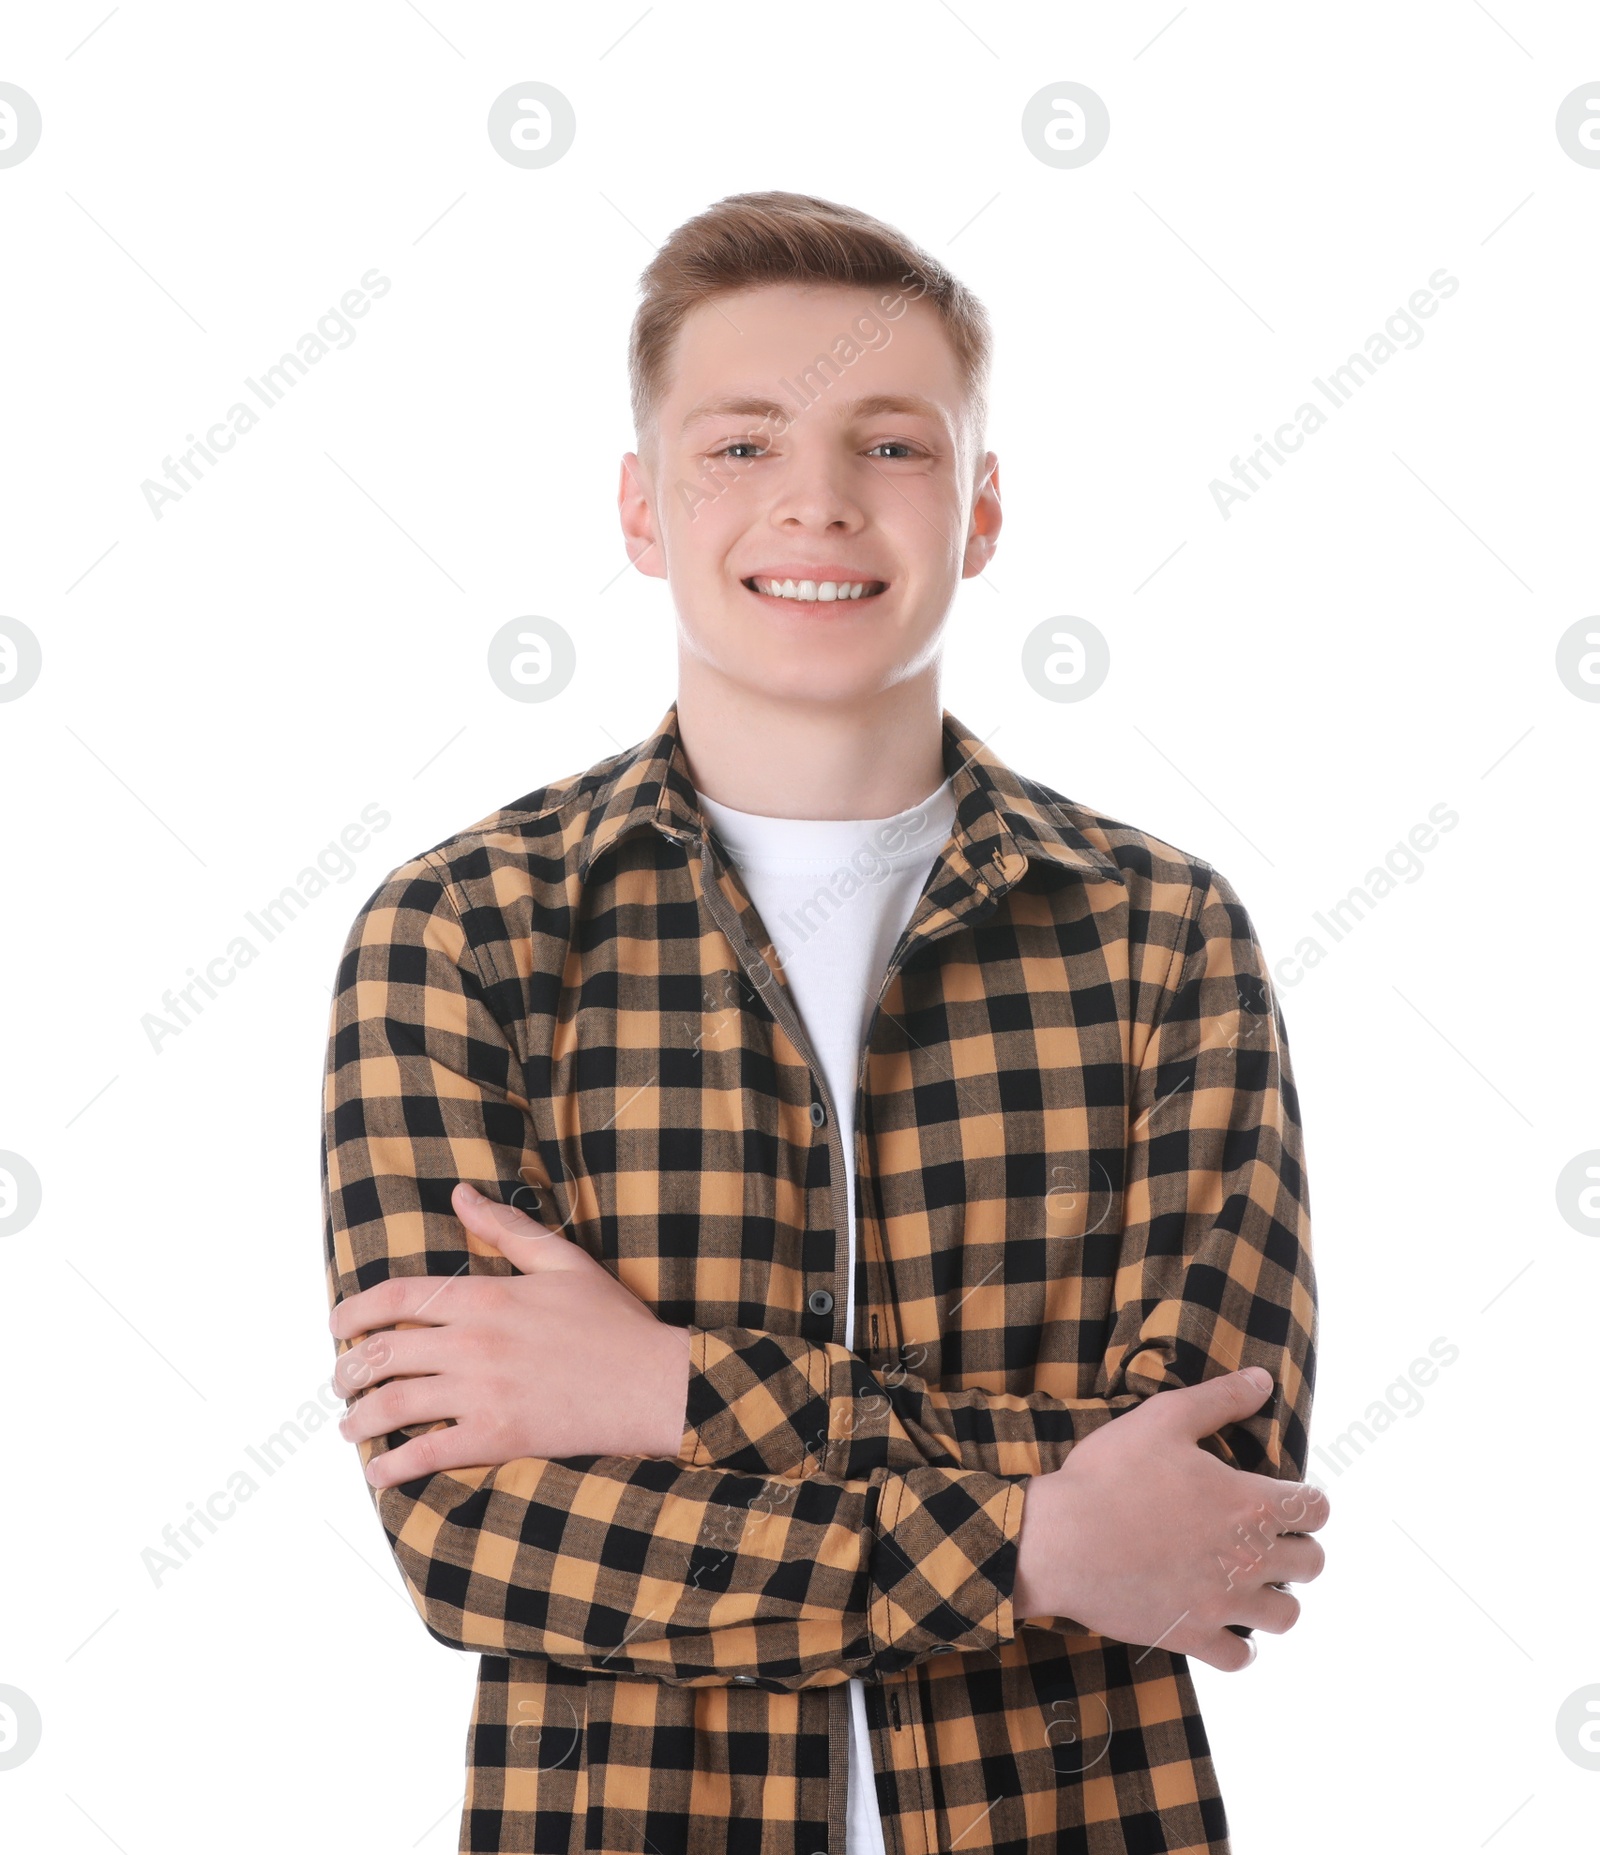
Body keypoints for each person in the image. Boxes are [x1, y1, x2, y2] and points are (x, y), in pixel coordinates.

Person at [321, 189, 1326, 1855]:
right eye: (738, 447)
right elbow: (474, 1534)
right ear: (642, 510)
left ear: (982, 509)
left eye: (892, 445)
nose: (817, 500)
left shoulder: (1164, 934)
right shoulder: (462, 932)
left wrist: (663, 1394)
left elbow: (1212, 1491)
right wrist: (1033, 1540)